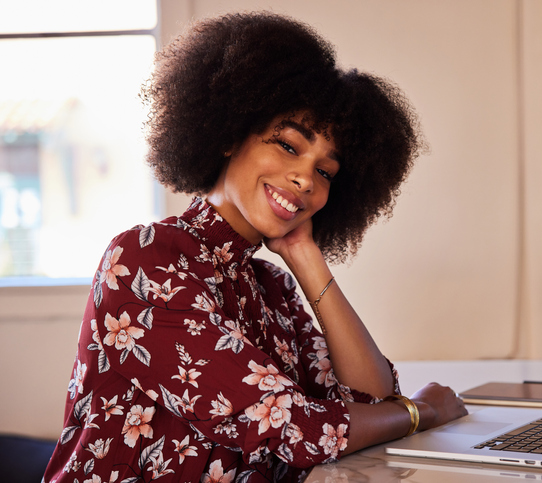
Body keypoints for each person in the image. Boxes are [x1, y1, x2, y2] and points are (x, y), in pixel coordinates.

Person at [43, 11, 467, 483]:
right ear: (229, 134)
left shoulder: (273, 286)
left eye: (325, 172)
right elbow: (294, 428)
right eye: (288, 145)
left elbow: (368, 403)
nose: (306, 178)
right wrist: (422, 412)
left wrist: (306, 256)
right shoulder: (146, 259)